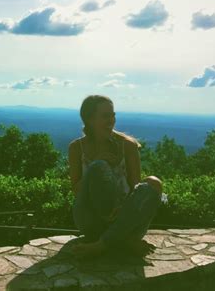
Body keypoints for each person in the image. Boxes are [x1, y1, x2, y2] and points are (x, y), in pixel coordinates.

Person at [68, 94, 164, 258]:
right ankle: (123, 241)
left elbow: (135, 188)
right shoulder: (77, 148)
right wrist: (97, 163)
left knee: (153, 183)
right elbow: (77, 191)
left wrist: (122, 208)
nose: (111, 120)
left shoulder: (127, 145)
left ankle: (102, 245)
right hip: (90, 219)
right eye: (105, 116)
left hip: (124, 220)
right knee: (99, 167)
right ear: (89, 120)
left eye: (113, 115)